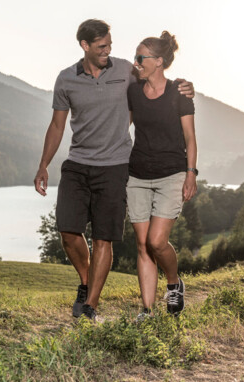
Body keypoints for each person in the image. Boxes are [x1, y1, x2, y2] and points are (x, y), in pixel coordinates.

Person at [34, 19, 193, 321]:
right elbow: (57, 125)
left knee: (104, 238)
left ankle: (90, 306)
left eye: (109, 44)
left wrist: (186, 86)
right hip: (77, 163)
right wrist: (43, 164)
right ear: (85, 46)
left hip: (116, 165)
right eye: (101, 46)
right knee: (68, 231)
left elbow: (158, 78)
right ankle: (86, 281)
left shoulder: (124, 70)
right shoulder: (66, 79)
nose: (108, 50)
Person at [127, 31, 197, 320]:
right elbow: (122, 127)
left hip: (171, 174)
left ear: (158, 61)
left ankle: (174, 283)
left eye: (140, 57)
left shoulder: (179, 93)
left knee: (157, 241)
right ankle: (147, 309)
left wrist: (191, 174)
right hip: (137, 175)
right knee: (142, 245)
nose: (136, 62)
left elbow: (190, 138)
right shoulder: (133, 91)